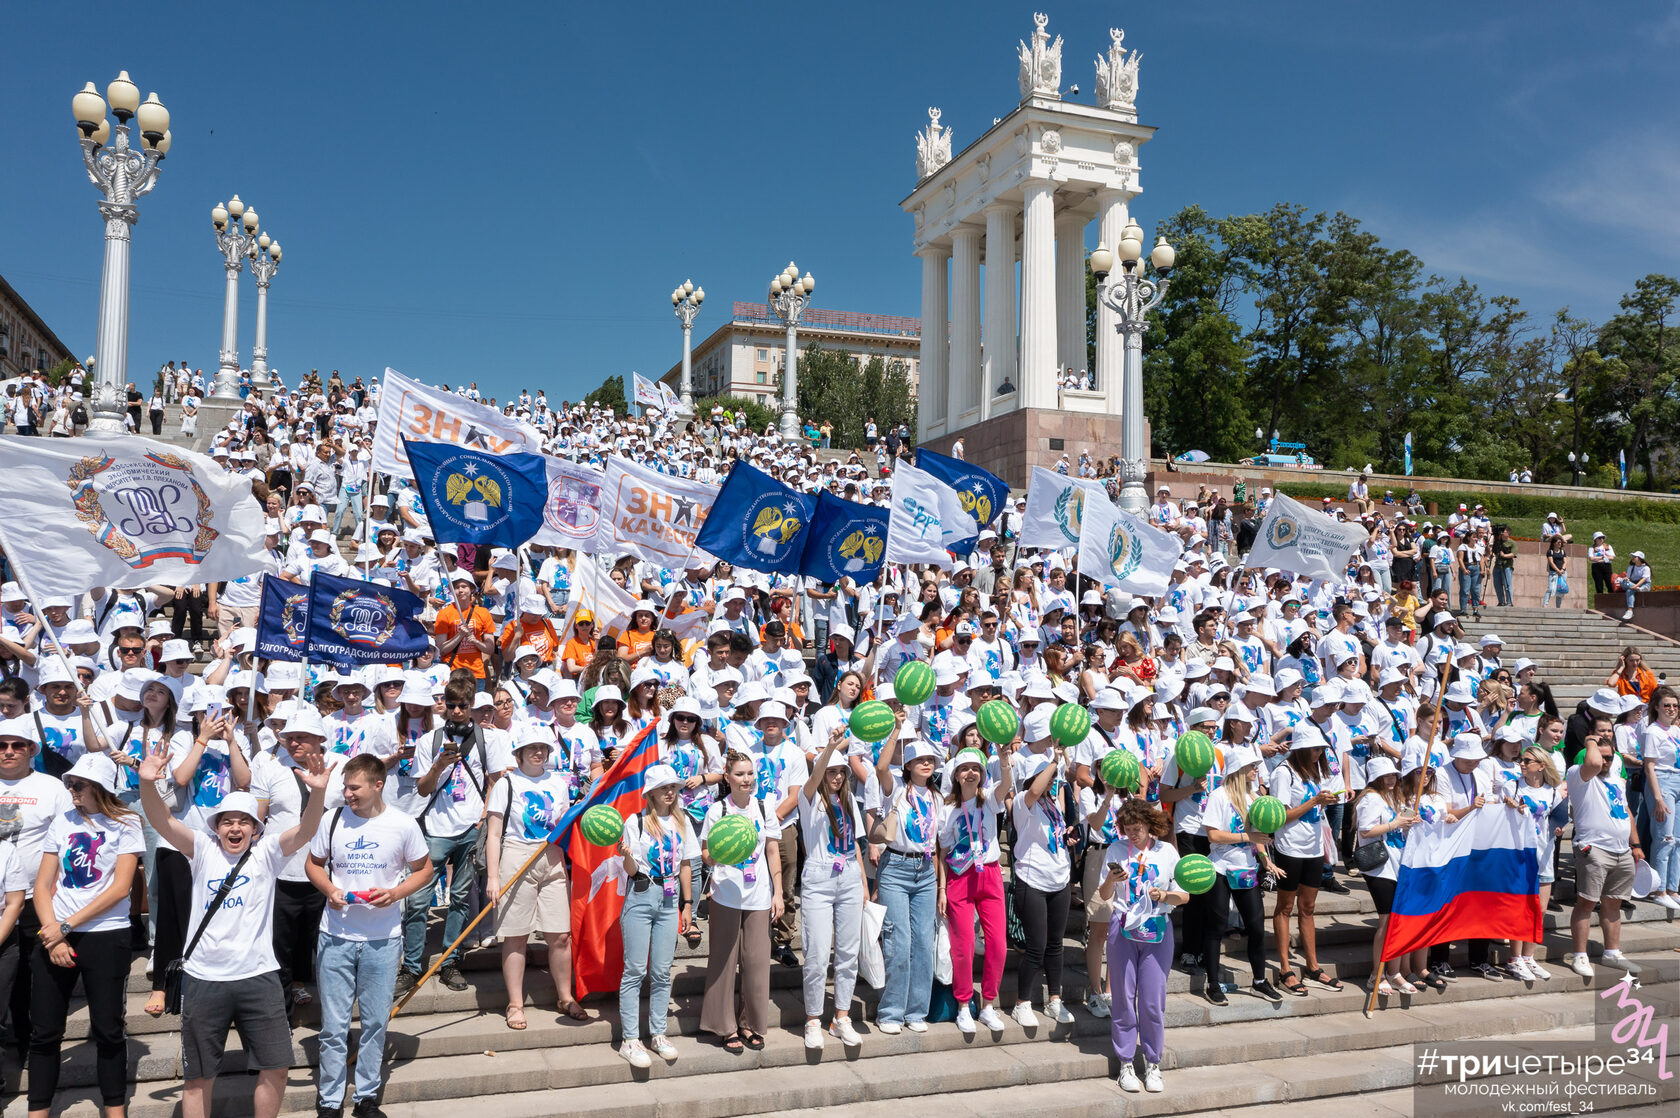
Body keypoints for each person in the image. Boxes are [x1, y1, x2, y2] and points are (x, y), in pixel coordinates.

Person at [135, 747, 329, 1118]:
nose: (235, 828)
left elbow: (307, 829)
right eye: (227, 821)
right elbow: (161, 821)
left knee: (275, 1067)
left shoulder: (268, 852)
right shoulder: (201, 849)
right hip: (205, 978)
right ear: (216, 826)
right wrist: (147, 782)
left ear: (256, 829)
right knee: (198, 1076)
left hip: (259, 976)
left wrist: (317, 792)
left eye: (244, 821)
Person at [307, 753, 434, 1118]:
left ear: (378, 785)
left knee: (376, 1023)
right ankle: (330, 1100)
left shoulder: (402, 824)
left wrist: (394, 894)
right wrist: (329, 890)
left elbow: (424, 869)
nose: (347, 793)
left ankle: (365, 1097)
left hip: (383, 938)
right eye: (345, 787)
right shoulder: (332, 820)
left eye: (353, 787)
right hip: (335, 936)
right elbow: (313, 865)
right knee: (333, 1026)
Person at [28, 753, 142, 1118]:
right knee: (44, 1031)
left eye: (78, 785)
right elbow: (42, 885)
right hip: (56, 934)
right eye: (69, 784)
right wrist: (54, 934)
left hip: (106, 935)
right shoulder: (62, 821)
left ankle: (114, 1110)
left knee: (108, 1029)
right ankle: (38, 1111)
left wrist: (66, 926)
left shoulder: (126, 822)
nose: (71, 790)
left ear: (99, 787)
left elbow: (121, 888)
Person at [400, 679, 508, 994]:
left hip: (470, 829)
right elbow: (421, 788)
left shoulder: (488, 739)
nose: (458, 711)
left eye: (463, 705)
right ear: (444, 705)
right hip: (434, 829)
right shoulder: (429, 741)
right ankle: (411, 966)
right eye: (452, 705)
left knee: (461, 898)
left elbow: (496, 782)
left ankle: (450, 962)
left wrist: (484, 819)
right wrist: (438, 766)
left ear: (471, 705)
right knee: (418, 901)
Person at [486, 725, 582, 1030]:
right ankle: (515, 1003)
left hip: (551, 856)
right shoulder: (506, 783)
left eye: (543, 748)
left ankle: (565, 996)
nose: (538, 753)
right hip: (516, 855)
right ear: (520, 752)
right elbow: (493, 834)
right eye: (532, 748)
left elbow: (565, 826)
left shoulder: (558, 782)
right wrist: (492, 877)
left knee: (560, 935)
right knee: (515, 936)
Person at [1099, 798, 1188, 1095]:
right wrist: (1112, 878)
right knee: (1123, 998)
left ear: (1150, 825)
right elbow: (1103, 893)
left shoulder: (1166, 851)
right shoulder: (1115, 849)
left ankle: (1152, 1062)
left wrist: (1164, 894)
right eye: (1127, 828)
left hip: (1157, 928)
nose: (1132, 834)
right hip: (1123, 927)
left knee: (1152, 1001)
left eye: (1136, 828)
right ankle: (1125, 1062)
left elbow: (1184, 896)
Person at [699, 750, 781, 1053]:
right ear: (728, 776)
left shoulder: (763, 807)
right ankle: (725, 1026)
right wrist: (719, 856)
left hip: (758, 894)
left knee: (757, 962)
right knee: (723, 961)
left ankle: (751, 1023)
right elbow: (706, 854)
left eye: (750, 774)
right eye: (740, 774)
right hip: (726, 894)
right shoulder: (717, 811)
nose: (746, 779)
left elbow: (773, 850)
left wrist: (779, 891)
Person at [617, 762, 696, 1066]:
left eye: (673, 787)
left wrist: (687, 904)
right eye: (664, 787)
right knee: (635, 969)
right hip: (641, 894)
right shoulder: (635, 822)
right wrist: (626, 857)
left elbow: (686, 864)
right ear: (649, 792)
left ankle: (658, 1033)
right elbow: (632, 870)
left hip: (670, 896)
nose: (670, 792)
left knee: (662, 971)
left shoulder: (682, 820)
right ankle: (630, 1039)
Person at [797, 727, 866, 1050]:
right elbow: (812, 781)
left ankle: (841, 1016)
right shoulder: (809, 798)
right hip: (819, 876)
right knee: (817, 951)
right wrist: (830, 750)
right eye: (832, 771)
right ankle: (813, 1018)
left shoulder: (849, 799)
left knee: (848, 952)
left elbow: (855, 844)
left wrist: (864, 885)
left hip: (850, 873)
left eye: (841, 771)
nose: (836, 776)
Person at [939, 744, 1012, 1034]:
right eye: (965, 769)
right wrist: (942, 888)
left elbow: (1005, 785)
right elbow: (941, 851)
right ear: (956, 775)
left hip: (990, 874)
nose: (970, 774)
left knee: (997, 945)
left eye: (976, 769)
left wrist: (1004, 762)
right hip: (959, 876)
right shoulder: (946, 810)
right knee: (964, 945)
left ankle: (988, 1005)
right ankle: (963, 1005)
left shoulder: (989, 800)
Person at [1200, 746, 1281, 1003]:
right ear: (1239, 770)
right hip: (1221, 868)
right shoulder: (1219, 796)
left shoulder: (1254, 797)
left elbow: (1258, 837)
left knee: (1256, 927)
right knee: (1216, 927)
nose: (1257, 771)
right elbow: (1213, 835)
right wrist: (1247, 836)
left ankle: (1259, 980)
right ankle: (1212, 983)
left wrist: (1265, 859)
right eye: (1252, 767)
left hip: (1246, 868)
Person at [873, 730, 941, 1035]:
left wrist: (940, 884)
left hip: (925, 870)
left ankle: (916, 1011)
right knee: (899, 942)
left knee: (924, 944)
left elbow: (937, 843)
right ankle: (890, 1011)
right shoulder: (897, 788)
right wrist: (897, 732)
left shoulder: (937, 795)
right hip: (896, 867)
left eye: (930, 760)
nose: (926, 764)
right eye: (919, 760)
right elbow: (880, 769)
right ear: (909, 764)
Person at [1009, 728, 1076, 1027]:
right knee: (1036, 946)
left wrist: (1067, 839)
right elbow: (1035, 790)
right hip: (1032, 880)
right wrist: (1055, 759)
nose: (1051, 783)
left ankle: (1055, 1000)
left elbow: (1053, 833)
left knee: (1056, 945)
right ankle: (1022, 1002)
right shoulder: (1024, 800)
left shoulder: (1054, 805)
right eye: (1047, 778)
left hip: (1059, 879)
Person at [1565, 724, 1643, 977]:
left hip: (1622, 850)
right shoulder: (1579, 774)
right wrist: (1590, 739)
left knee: (1613, 903)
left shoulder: (1616, 780)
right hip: (1594, 848)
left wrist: (1636, 844)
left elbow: (1627, 812)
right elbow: (1593, 765)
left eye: (1611, 757)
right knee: (1586, 902)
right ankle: (1579, 955)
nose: (1606, 761)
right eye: (1602, 756)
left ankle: (1612, 952)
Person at [1505, 745, 1564, 976]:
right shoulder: (1513, 786)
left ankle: (1528, 956)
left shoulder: (1553, 792)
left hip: (1545, 857)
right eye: (1521, 760)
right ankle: (1515, 958)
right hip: (1519, 858)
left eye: (1527, 761)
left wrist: (1559, 828)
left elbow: (1560, 818)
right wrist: (1510, 809)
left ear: (1541, 766)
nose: (1521, 763)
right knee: (1520, 910)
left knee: (1539, 910)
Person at [1639, 686, 1680, 911]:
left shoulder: (1675, 731)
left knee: (1678, 839)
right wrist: (1657, 797)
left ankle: (1673, 888)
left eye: (1675, 705)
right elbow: (1649, 767)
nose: (1671, 709)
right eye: (1667, 705)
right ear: (1656, 707)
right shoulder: (1652, 731)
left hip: (1677, 778)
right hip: (1662, 782)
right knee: (1665, 839)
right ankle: (1660, 889)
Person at [1622, 550, 1652, 622]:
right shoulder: (1631, 567)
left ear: (1639, 558)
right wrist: (1626, 579)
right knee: (1621, 581)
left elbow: (1644, 579)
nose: (1632, 558)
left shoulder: (1646, 568)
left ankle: (1630, 610)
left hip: (1644, 584)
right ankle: (1640, 589)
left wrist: (1636, 586)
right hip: (1633, 584)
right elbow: (1628, 577)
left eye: (1634, 557)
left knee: (1629, 590)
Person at [1542, 536, 1569, 608]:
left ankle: (1558, 607)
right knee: (1550, 589)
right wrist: (1557, 570)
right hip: (1553, 573)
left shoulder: (1563, 552)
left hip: (1562, 573)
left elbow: (1565, 561)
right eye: (1558, 542)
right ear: (1554, 543)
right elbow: (1551, 562)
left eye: (1561, 542)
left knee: (1560, 591)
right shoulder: (1550, 551)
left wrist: (1562, 570)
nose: (1560, 544)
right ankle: (1545, 605)